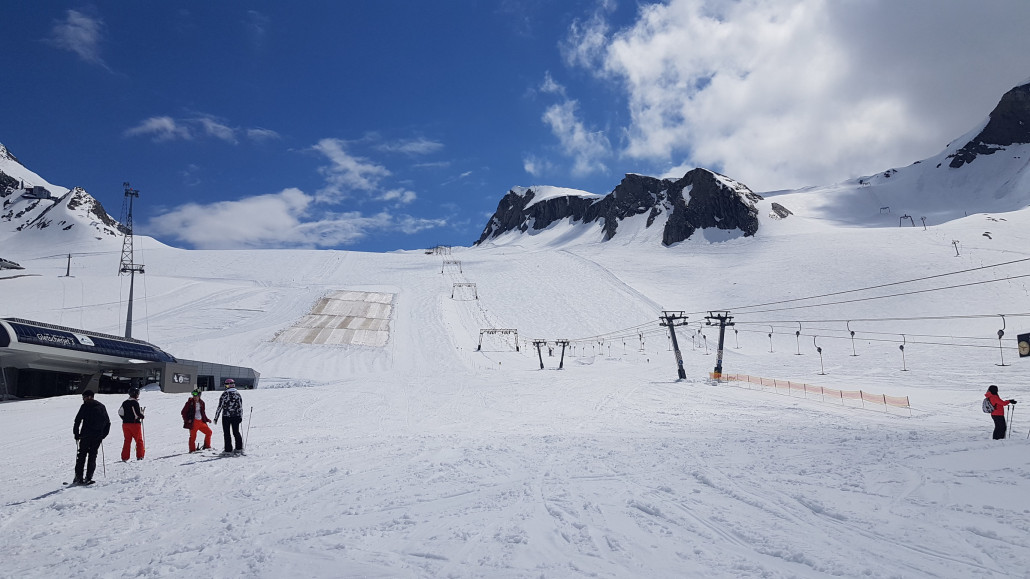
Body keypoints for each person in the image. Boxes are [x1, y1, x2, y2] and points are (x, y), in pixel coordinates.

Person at [72, 389, 111, 485]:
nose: (83, 399)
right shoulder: (101, 406)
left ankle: (78, 477)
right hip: (97, 436)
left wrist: (76, 434)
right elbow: (108, 423)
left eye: (84, 397)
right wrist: (103, 435)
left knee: (81, 456)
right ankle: (89, 477)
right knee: (92, 456)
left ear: (89, 397)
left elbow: (77, 420)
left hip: (85, 435)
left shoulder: (85, 406)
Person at [213, 379, 245, 454]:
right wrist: (240, 416)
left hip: (226, 416)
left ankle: (228, 449)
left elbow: (220, 407)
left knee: (227, 433)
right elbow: (240, 407)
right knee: (236, 432)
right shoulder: (238, 394)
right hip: (236, 416)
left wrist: (216, 417)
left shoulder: (225, 394)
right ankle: (239, 448)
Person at [119, 387, 145, 461]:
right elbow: (137, 413)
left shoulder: (125, 402)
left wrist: (125, 419)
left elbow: (120, 412)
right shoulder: (135, 402)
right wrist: (141, 416)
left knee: (127, 440)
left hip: (125, 424)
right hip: (134, 424)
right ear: (136, 394)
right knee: (139, 440)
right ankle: (140, 456)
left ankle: (125, 457)